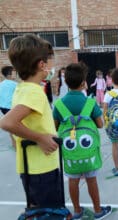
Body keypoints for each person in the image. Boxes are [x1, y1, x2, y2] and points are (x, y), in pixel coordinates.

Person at [0, 34, 62, 208]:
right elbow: (7, 122)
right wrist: (40, 138)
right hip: (41, 170)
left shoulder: (22, 88)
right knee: (50, 213)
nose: (52, 67)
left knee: (38, 211)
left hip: (30, 168)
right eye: (51, 61)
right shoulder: (34, 92)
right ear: (42, 65)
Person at [52, 63, 112, 219]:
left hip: (71, 153)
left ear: (66, 82)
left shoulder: (59, 104)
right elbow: (100, 124)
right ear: (84, 83)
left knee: (73, 180)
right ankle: (98, 210)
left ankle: (77, 210)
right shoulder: (90, 103)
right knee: (91, 180)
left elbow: (55, 128)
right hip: (89, 152)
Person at [0, 65, 17, 148]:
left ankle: (14, 143)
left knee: (11, 126)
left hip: (3, 108)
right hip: (11, 108)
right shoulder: (15, 84)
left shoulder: (1, 84)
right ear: (10, 75)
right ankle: (15, 144)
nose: (16, 74)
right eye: (14, 73)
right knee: (13, 126)